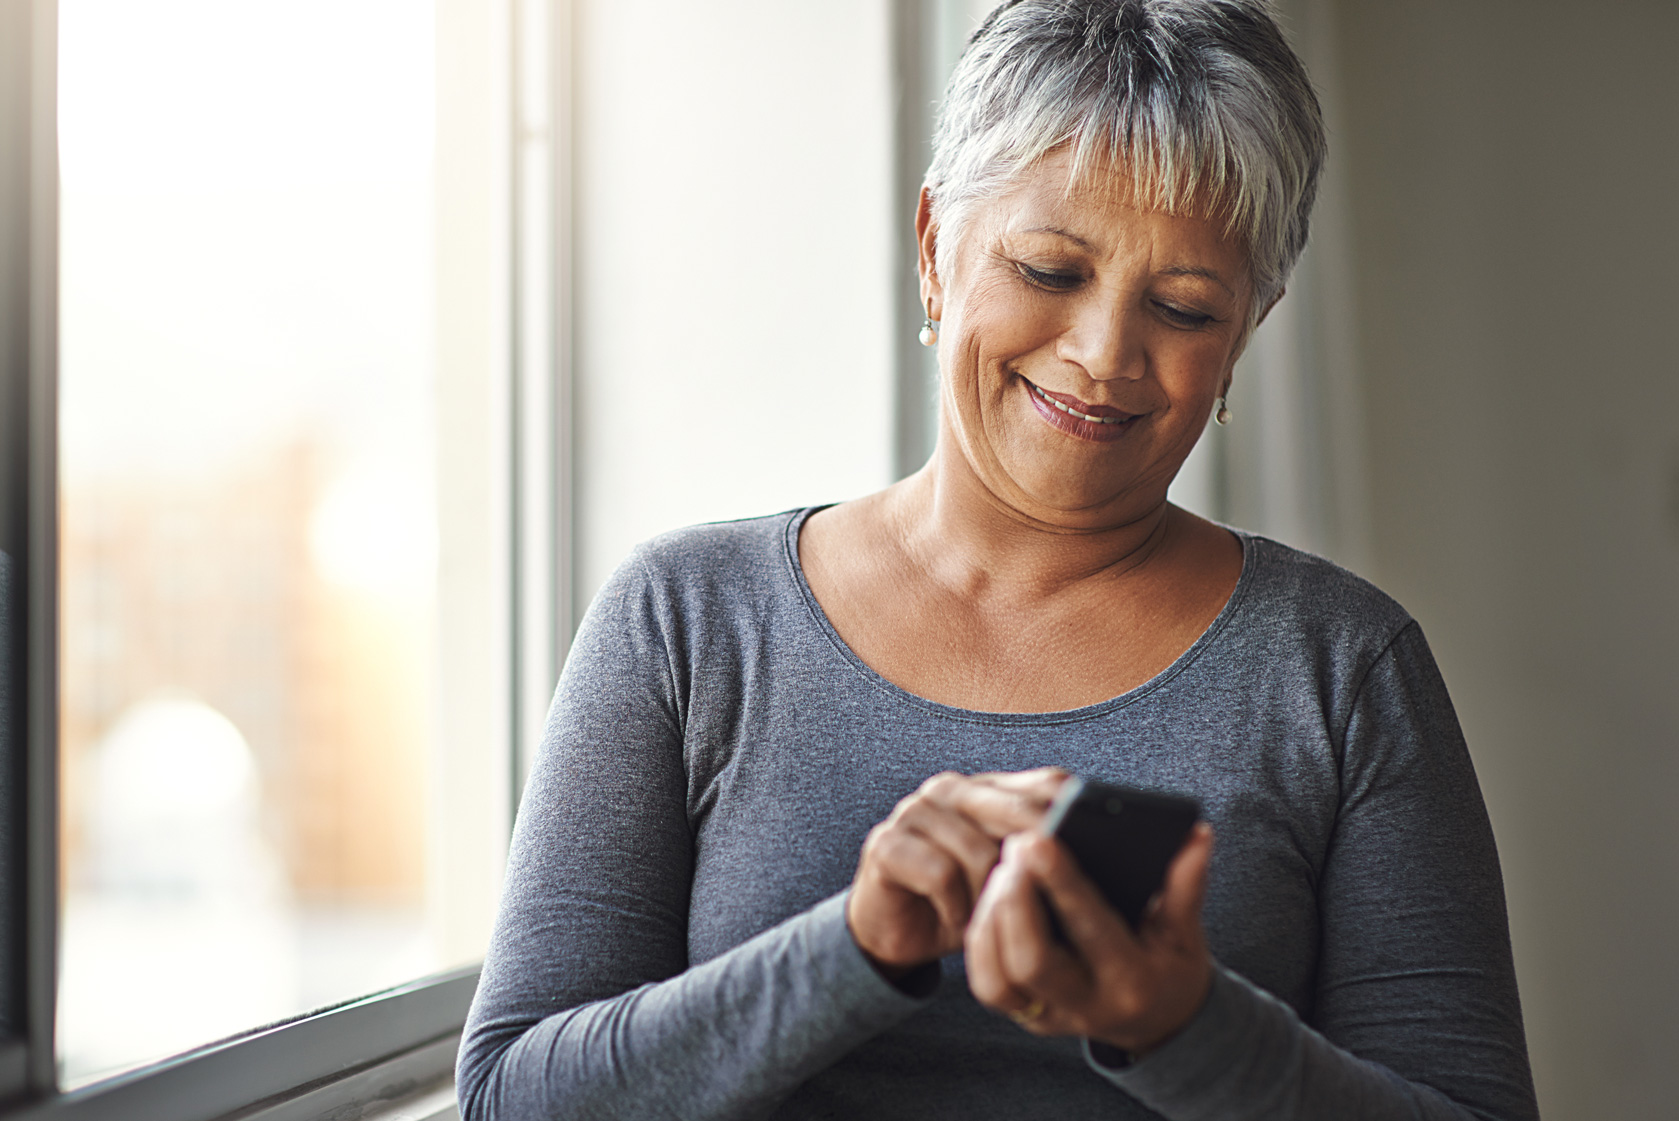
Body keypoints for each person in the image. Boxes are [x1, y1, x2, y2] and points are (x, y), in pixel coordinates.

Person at [457, 1, 1540, 1117]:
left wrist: (1183, 1025)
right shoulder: (684, 620)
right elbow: (511, 1096)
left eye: (1180, 306)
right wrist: (854, 947)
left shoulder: (1342, 666)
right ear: (934, 250)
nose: (1103, 354)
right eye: (1049, 270)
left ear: (1246, 333)